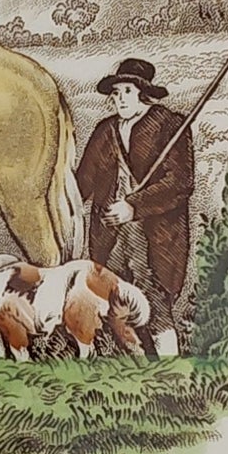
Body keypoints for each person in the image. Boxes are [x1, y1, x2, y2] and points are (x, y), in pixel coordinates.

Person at [74, 58, 193, 357]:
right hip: (110, 234)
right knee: (116, 299)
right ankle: (137, 365)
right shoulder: (106, 131)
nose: (120, 99)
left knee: (154, 301)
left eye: (127, 91)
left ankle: (169, 366)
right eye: (116, 93)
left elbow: (180, 182)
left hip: (153, 234)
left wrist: (133, 206)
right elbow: (83, 183)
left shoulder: (169, 126)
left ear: (144, 93)